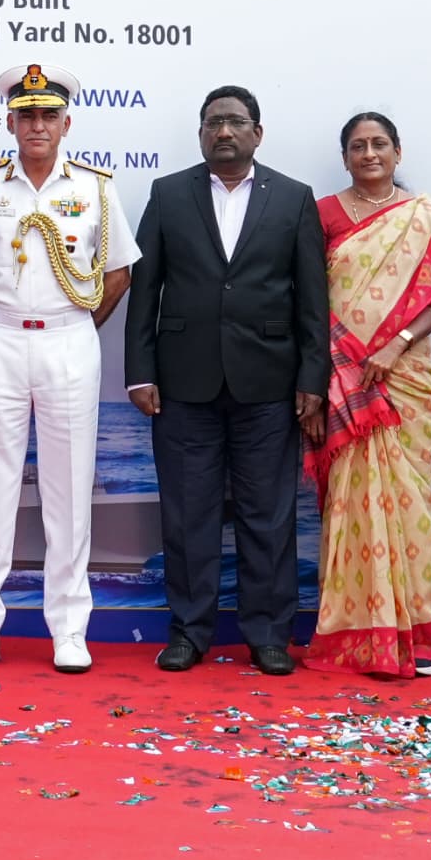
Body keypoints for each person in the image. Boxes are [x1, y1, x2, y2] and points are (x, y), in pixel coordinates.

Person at [125, 84, 327, 673]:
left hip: (269, 384)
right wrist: (140, 371)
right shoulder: (168, 195)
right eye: (214, 122)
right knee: (188, 514)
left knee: (269, 515)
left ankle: (268, 634)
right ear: (201, 132)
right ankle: (190, 630)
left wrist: (311, 378)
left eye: (236, 122)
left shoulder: (293, 198)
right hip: (183, 384)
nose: (225, 132)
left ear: (257, 133)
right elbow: (147, 292)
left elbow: (313, 299)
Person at [0, 63, 131, 674]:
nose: (37, 125)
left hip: (69, 341)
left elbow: (118, 273)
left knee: (70, 490)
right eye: (27, 115)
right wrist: (0, 324)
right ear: (10, 122)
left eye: (49, 114)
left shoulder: (97, 190)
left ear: (66, 122)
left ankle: (70, 629)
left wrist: (71, 328)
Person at [308, 109, 431, 677]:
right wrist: (341, 362)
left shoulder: (420, 216)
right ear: (346, 156)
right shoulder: (324, 214)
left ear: (398, 153)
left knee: (412, 507)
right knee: (349, 506)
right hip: (342, 380)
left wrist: (394, 344)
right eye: (358, 146)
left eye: (380, 144)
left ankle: (420, 634)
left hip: (403, 377)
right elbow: (308, 299)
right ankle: (357, 635)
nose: (370, 154)